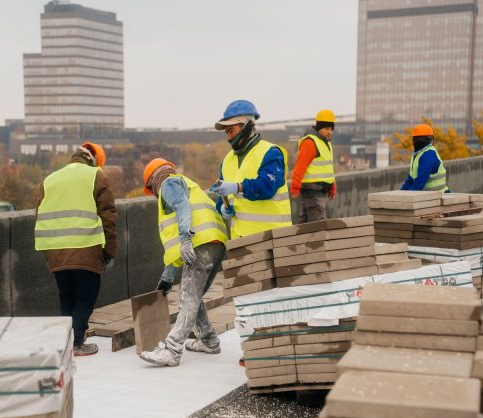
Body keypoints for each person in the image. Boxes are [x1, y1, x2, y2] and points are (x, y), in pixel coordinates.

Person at [138, 158, 228, 367]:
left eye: (151, 189)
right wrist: (167, 277)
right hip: (215, 243)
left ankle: (172, 349)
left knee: (188, 296)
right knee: (194, 295)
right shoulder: (185, 182)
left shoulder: (168, 183)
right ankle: (209, 340)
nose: (154, 194)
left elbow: (182, 205)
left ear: (153, 180)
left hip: (200, 244)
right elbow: (174, 242)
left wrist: (186, 238)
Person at [34, 141, 117, 356]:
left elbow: (39, 215)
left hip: (55, 251)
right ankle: (77, 342)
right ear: (94, 160)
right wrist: (109, 251)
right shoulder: (97, 176)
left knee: (67, 295)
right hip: (86, 247)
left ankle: (67, 342)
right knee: (85, 296)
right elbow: (108, 216)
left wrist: (48, 250)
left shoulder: (49, 180)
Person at [209, 100, 292, 237]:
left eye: (231, 130)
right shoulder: (227, 161)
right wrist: (222, 207)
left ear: (247, 126)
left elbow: (267, 186)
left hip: (273, 239)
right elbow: (223, 196)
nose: (229, 136)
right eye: (226, 132)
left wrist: (238, 187)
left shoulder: (271, 152)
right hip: (240, 241)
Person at [290, 109, 337, 223]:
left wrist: (332, 185)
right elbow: (300, 166)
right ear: (318, 127)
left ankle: (298, 240)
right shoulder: (310, 142)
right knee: (319, 224)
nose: (329, 132)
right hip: (312, 189)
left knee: (305, 223)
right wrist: (295, 187)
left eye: (331, 129)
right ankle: (316, 241)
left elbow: (328, 167)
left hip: (319, 189)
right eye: (326, 129)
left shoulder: (326, 143)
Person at [400, 124, 450, 192]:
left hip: (440, 196)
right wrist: (400, 193)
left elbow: (419, 183)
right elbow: (411, 179)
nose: (415, 141)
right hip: (429, 197)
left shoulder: (428, 154)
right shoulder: (417, 154)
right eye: (415, 138)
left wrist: (406, 198)